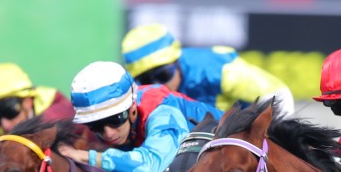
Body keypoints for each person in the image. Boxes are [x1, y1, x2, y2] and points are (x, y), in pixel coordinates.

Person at [55, 61, 221, 172]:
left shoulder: (163, 112)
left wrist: (86, 157)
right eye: (96, 125)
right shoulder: (121, 121)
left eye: (115, 120)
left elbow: (148, 168)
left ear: (132, 107)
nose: (108, 133)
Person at [121, 23, 295, 119]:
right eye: (146, 80)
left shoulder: (217, 70)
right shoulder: (134, 94)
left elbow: (278, 94)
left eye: (163, 75)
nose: (158, 86)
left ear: (177, 61)